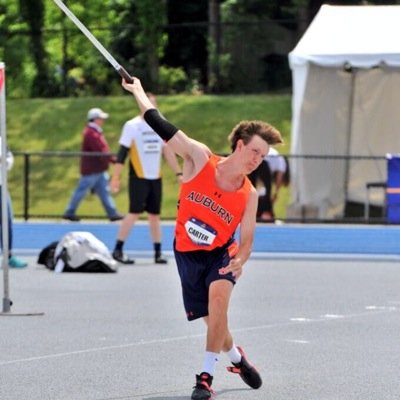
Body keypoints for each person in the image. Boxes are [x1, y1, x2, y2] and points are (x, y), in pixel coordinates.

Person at [121, 77, 283, 400]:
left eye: (262, 157)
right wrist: (138, 90)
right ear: (239, 145)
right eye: (254, 152)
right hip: (187, 253)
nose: (257, 160)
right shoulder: (198, 158)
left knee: (219, 305)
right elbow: (161, 125)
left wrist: (241, 260)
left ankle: (204, 379)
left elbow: (247, 237)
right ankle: (236, 358)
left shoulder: (249, 194)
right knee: (214, 322)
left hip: (221, 254)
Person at [110, 93, 183, 265]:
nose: (151, 108)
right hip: (138, 177)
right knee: (134, 213)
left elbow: (168, 151)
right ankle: (118, 249)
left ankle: (158, 252)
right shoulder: (132, 126)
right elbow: (122, 154)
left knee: (154, 216)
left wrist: (178, 173)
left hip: (155, 178)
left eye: (154, 105)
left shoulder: (160, 126)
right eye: (148, 104)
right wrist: (115, 177)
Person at [63, 108, 124, 222]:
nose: (102, 121)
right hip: (92, 170)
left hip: (98, 170)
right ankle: (69, 212)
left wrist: (111, 159)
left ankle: (112, 213)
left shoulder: (94, 131)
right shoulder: (91, 133)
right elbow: (100, 150)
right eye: (101, 118)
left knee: (104, 192)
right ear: (95, 119)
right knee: (81, 190)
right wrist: (113, 160)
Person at [0, 138, 27, 268]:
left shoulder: (1, 140)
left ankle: (8, 256)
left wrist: (5, 162)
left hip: (1, 186)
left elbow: (9, 157)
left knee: (7, 220)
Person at [248, 146, 288, 222]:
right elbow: (279, 177)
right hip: (262, 162)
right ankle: (266, 213)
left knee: (252, 189)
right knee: (267, 192)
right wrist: (276, 193)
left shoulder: (275, 155)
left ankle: (254, 211)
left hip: (254, 160)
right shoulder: (281, 162)